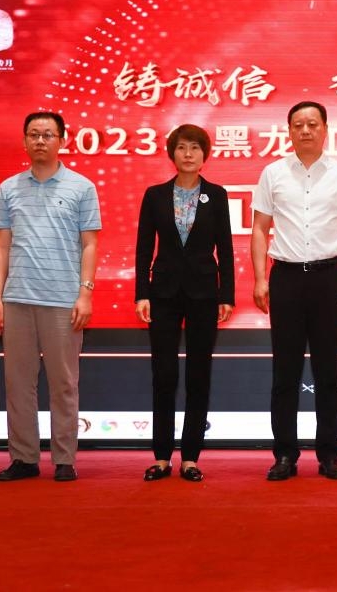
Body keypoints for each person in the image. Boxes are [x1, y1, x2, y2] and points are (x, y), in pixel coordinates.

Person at [250, 101, 337, 481]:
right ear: (289, 131)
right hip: (285, 278)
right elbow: (260, 229)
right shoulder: (273, 173)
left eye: (312, 124)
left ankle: (330, 455)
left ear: (325, 129)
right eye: (298, 124)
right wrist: (260, 278)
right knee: (285, 372)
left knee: (328, 372)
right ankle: (284, 454)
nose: (305, 130)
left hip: (329, 278)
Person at [0, 111, 101, 483]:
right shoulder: (8, 188)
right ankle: (23, 458)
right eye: (34, 134)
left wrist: (85, 294)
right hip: (18, 298)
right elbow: (1, 245)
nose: (40, 140)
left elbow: (90, 244)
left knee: (64, 383)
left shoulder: (82, 187)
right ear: (24, 141)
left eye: (48, 134)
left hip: (63, 300)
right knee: (18, 383)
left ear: (62, 140)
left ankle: (64, 458)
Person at [134, 124, 235, 482]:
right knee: (163, 374)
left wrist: (227, 295)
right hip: (162, 295)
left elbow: (226, 248)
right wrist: (142, 293)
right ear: (172, 154)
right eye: (181, 147)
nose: (188, 154)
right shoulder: (155, 195)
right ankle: (162, 457)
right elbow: (144, 248)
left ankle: (191, 457)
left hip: (204, 294)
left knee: (198, 374)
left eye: (195, 147)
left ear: (205, 154)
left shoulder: (217, 195)